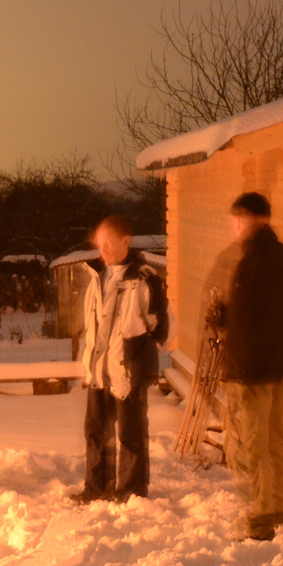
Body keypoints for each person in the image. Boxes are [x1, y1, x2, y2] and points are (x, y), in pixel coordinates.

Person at [215, 192, 283, 541]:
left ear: (253, 220)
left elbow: (250, 321)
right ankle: (280, 508)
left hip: (255, 371)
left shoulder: (250, 263)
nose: (234, 225)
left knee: (251, 446)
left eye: (237, 218)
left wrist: (228, 323)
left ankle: (259, 517)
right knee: (281, 442)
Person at [74, 216, 168, 503]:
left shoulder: (145, 279)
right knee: (95, 433)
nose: (102, 250)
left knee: (130, 435)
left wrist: (137, 357)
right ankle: (97, 488)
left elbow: (161, 328)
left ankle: (130, 492)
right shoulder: (96, 276)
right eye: (99, 244)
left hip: (128, 371)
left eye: (108, 243)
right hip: (99, 371)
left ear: (125, 241)